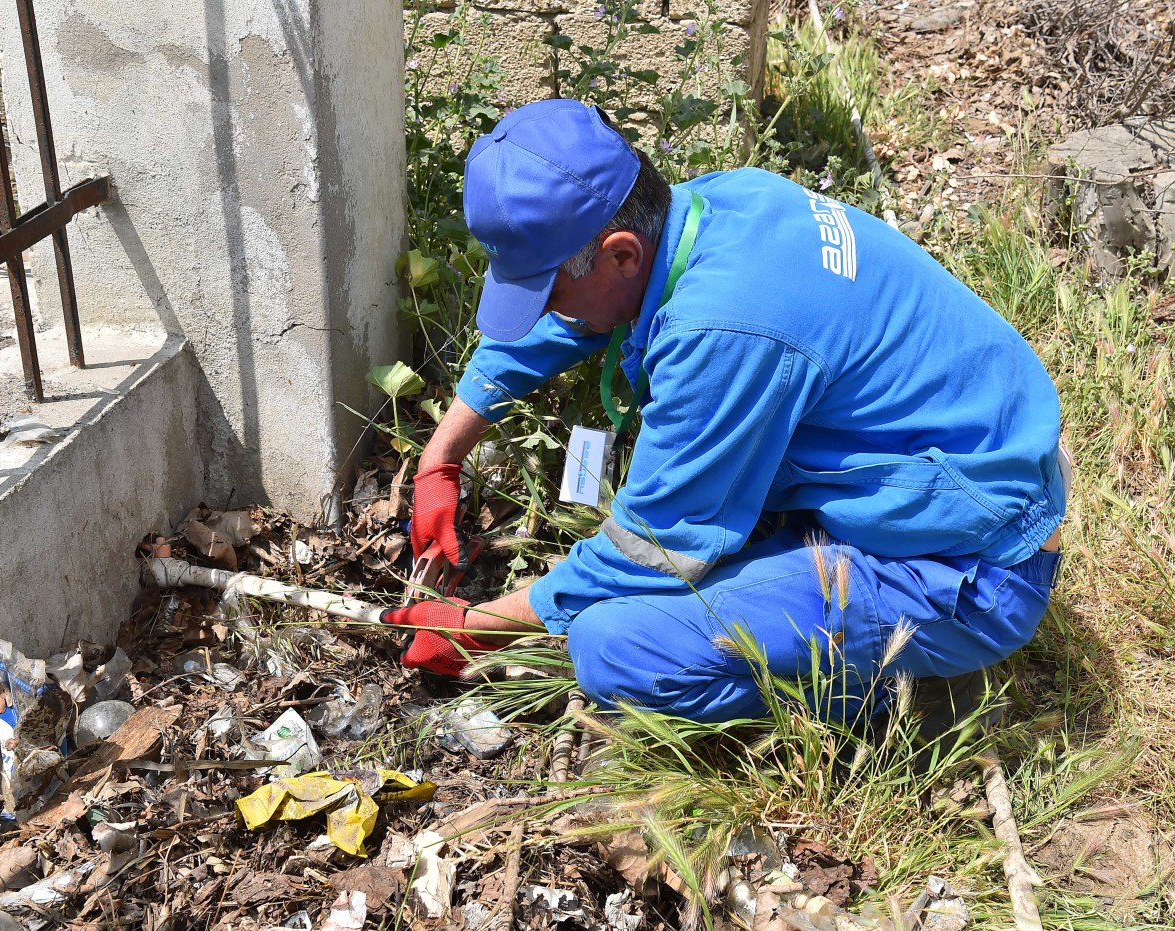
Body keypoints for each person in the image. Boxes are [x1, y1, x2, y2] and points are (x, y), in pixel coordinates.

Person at [384, 98, 1067, 727]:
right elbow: (571, 320)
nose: (546, 312)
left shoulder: (726, 331)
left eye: (546, 291)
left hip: (971, 571)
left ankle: (903, 698)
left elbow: (654, 548)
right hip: (970, 460)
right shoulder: (718, 205)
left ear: (620, 253)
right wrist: (440, 457)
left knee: (612, 648)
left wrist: (477, 624)